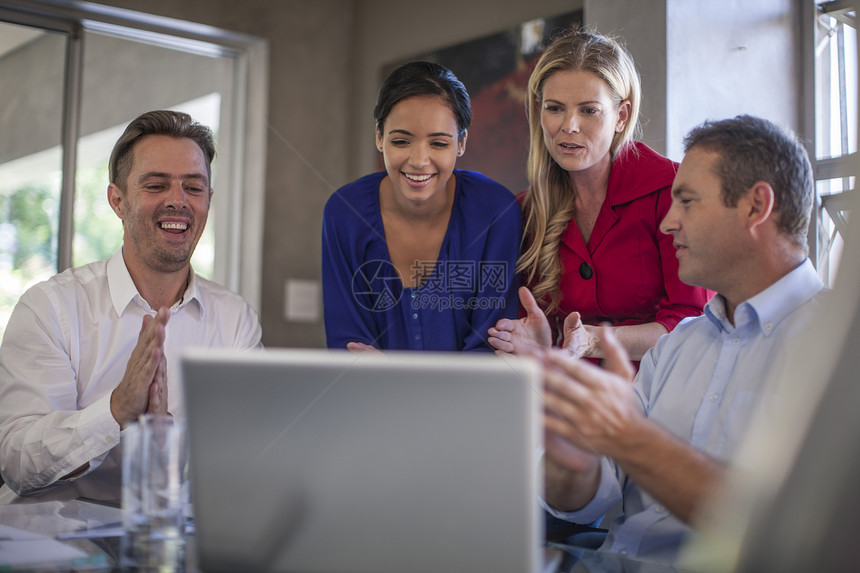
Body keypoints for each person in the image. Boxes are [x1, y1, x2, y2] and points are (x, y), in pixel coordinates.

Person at [540, 115, 823, 563]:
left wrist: (628, 437)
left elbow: (795, 530)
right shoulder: (677, 346)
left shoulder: (835, 354)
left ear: (756, 206)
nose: (668, 223)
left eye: (686, 201)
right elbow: (592, 497)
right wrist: (571, 461)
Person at [0, 110, 262, 504]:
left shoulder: (236, 320)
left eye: (194, 187)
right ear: (117, 201)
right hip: (59, 549)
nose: (179, 201)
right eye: (156, 185)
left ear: (209, 199)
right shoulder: (50, 308)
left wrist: (170, 439)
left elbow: (251, 455)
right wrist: (116, 411)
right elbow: (16, 459)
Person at [488, 30, 709, 362]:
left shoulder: (672, 190)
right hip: (568, 401)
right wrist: (539, 345)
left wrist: (594, 341)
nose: (569, 126)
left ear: (621, 116)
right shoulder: (524, 212)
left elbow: (694, 323)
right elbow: (539, 334)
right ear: (538, 110)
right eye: (555, 108)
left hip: (661, 398)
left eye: (589, 110)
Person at [322, 61, 520, 351]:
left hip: (474, 397)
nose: (419, 160)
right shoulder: (344, 213)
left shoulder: (496, 211)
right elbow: (349, 346)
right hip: (372, 396)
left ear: (461, 142)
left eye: (438, 144)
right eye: (401, 141)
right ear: (379, 137)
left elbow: (494, 345)